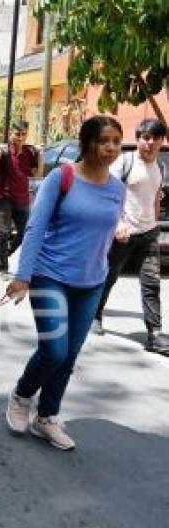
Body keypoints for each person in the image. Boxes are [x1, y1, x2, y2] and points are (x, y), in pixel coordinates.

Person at [5, 116, 125, 451]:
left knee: (70, 354)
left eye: (116, 140)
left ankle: (47, 418)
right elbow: (36, 227)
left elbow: (101, 229)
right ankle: (21, 395)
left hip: (92, 281)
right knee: (54, 350)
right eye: (105, 140)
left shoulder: (117, 188)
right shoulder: (62, 177)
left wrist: (121, 231)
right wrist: (23, 276)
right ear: (87, 143)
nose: (112, 147)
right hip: (49, 275)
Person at [92, 119, 169, 355]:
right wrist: (119, 222)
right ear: (138, 139)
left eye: (156, 138)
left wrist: (155, 223)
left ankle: (154, 335)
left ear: (161, 141)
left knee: (151, 284)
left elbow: (156, 197)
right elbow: (108, 195)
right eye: (146, 137)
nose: (150, 143)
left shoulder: (161, 168)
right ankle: (94, 315)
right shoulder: (124, 163)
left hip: (148, 234)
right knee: (109, 276)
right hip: (123, 234)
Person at [0, 120, 43, 279]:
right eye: (17, 134)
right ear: (11, 134)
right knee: (4, 232)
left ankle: (5, 252)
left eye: (24, 134)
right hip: (4, 198)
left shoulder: (30, 152)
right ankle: (2, 268)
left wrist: (40, 155)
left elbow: (37, 175)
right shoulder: (3, 152)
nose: (20, 138)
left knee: (24, 233)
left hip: (22, 198)